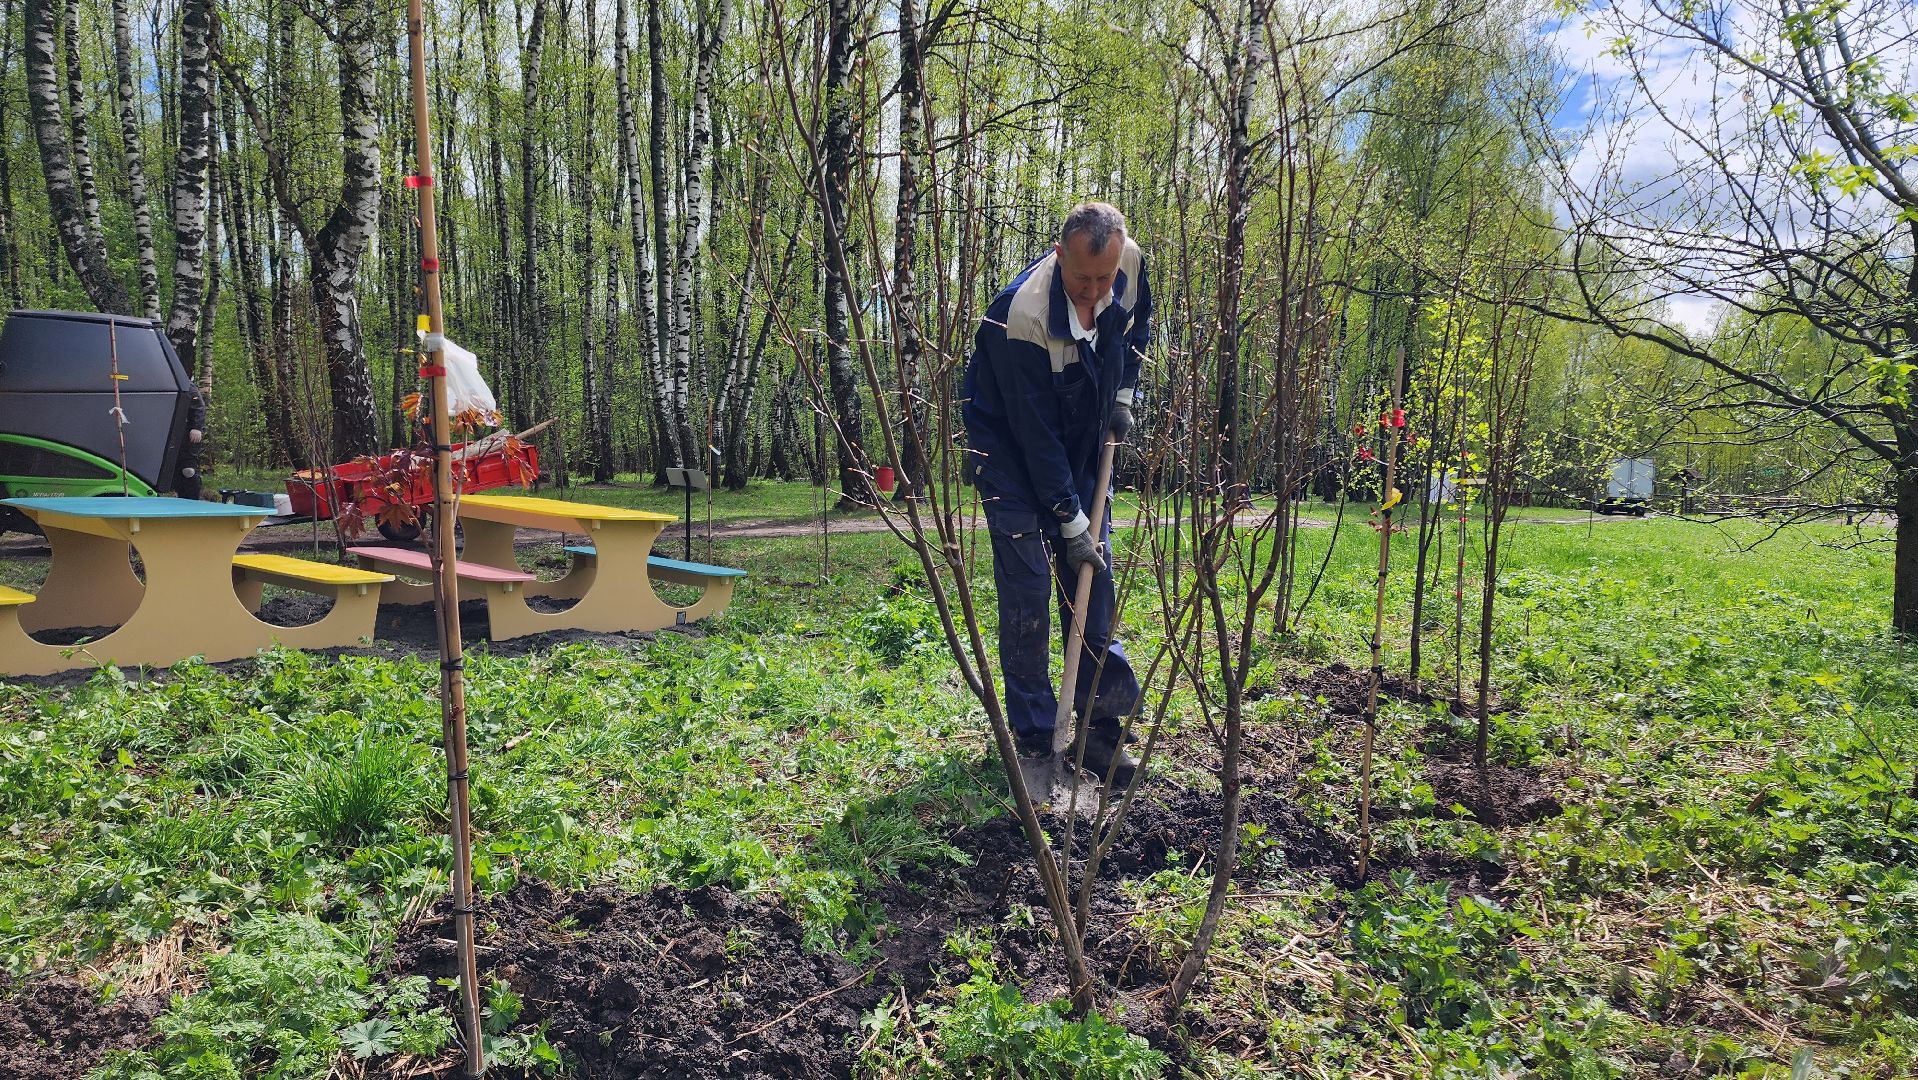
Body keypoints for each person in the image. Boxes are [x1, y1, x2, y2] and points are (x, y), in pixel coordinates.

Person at [962, 202, 1150, 787]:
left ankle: (1098, 732)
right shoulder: (1022, 314)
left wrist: (1123, 392)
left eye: (1105, 279)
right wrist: (1069, 520)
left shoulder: (1130, 267)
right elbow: (1032, 435)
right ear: (1059, 254)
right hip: (1011, 455)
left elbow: (1138, 325)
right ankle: (1038, 743)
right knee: (1029, 595)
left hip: (1083, 438)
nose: (1095, 293)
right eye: (1082, 279)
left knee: (1093, 588)